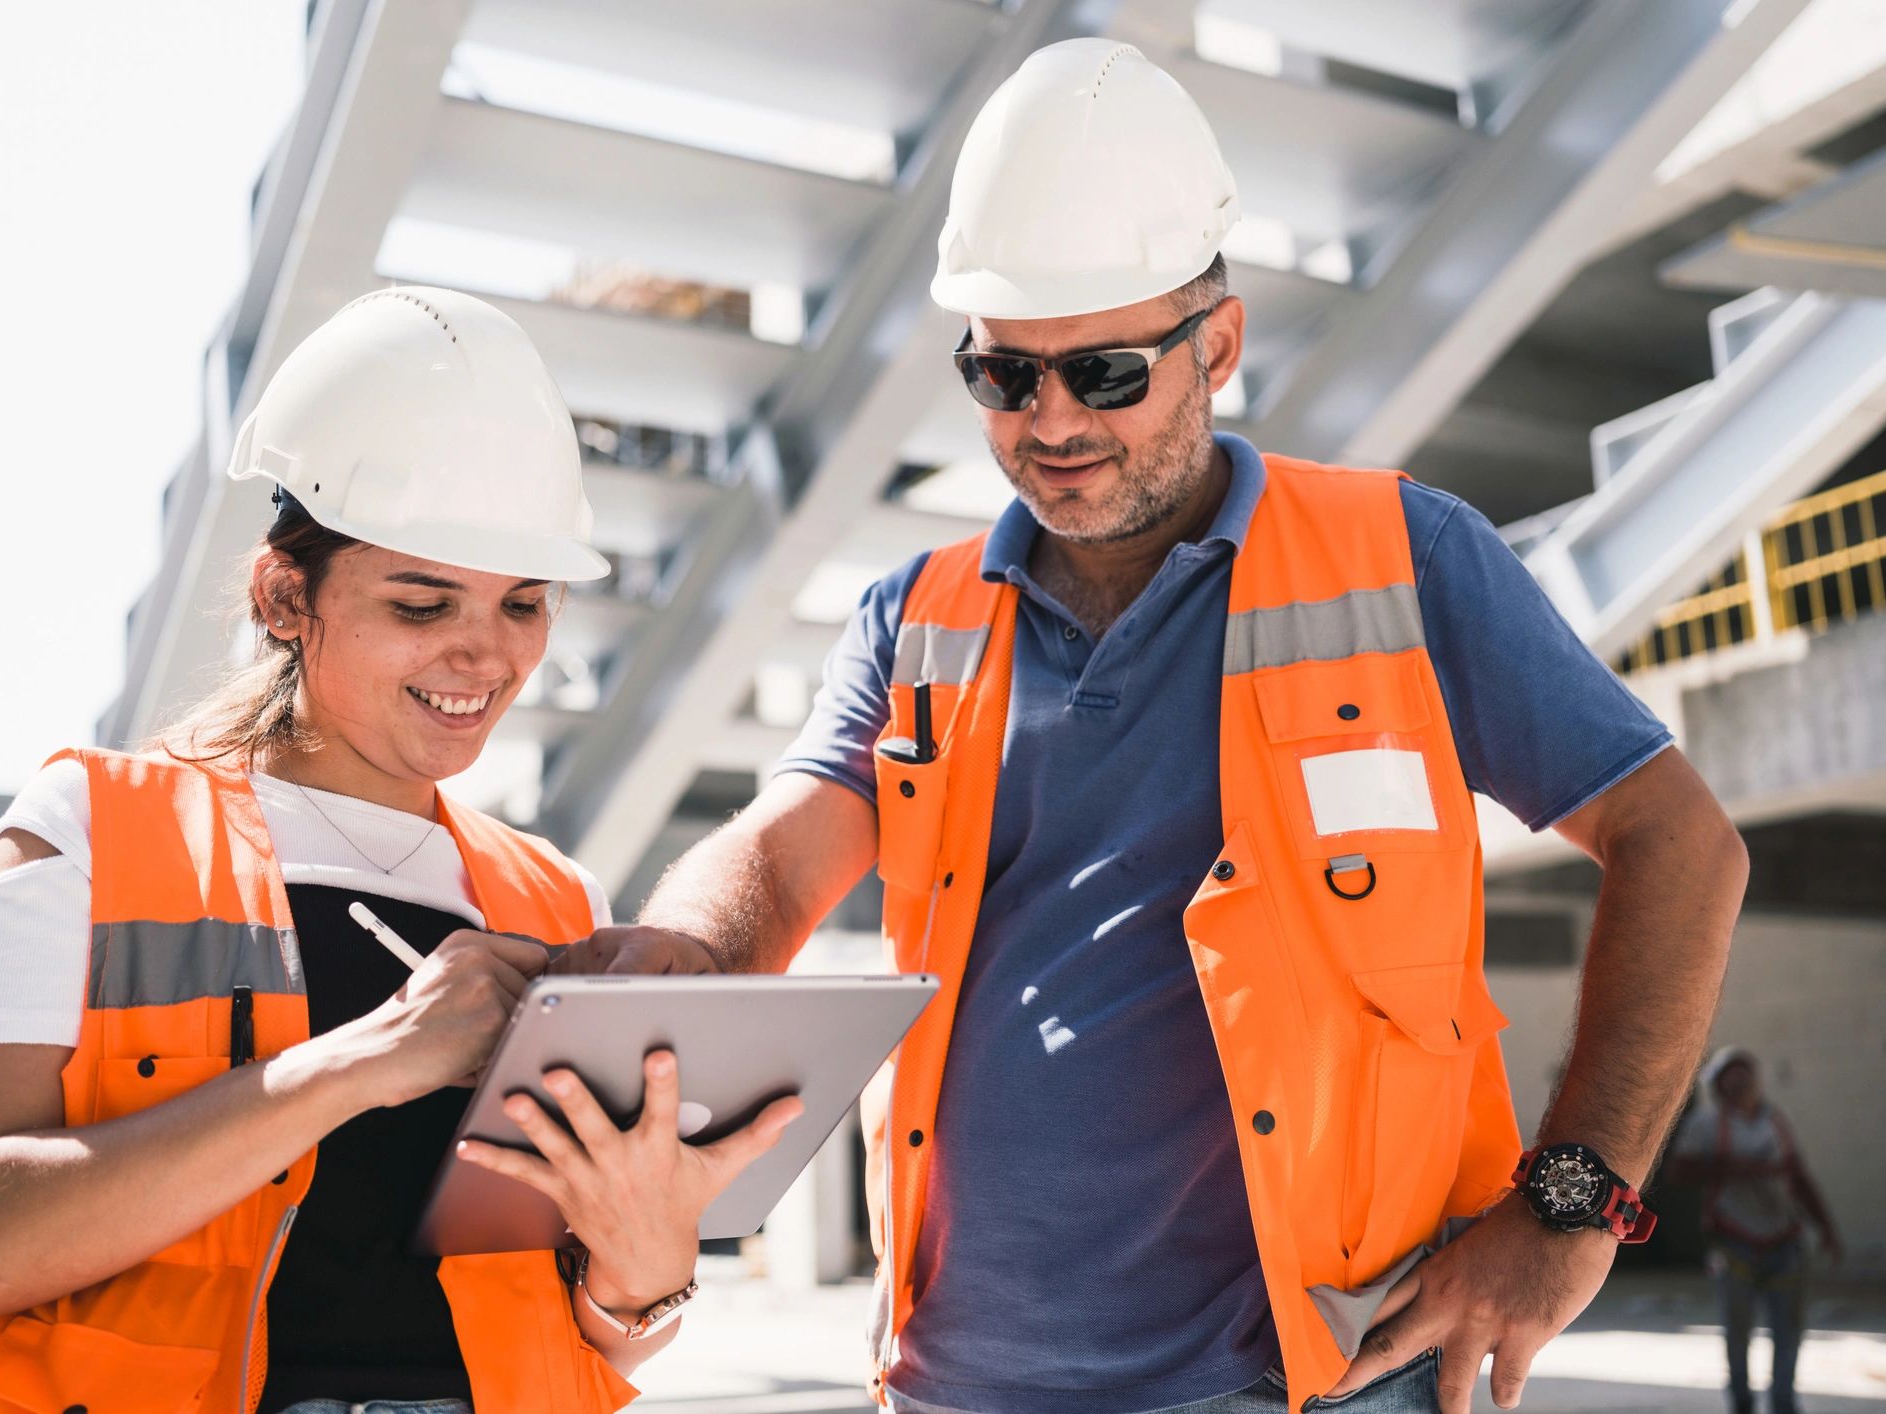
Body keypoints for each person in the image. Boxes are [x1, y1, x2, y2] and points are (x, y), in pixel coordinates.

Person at [550, 40, 1748, 1414]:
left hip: (1315, 1374)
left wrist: (1568, 1207)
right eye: (1004, 376)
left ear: (1217, 346)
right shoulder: (916, 618)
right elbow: (784, 837)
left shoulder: (1404, 560)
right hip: (958, 1382)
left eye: (1105, 372)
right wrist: (683, 956)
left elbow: (1681, 841)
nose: (1050, 422)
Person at [0, 287, 801, 1414]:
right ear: (284, 595)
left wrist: (649, 1254)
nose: (485, 654)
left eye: (524, 603)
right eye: (422, 603)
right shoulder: (91, 828)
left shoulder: (556, 897)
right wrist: (360, 1062)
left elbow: (605, 1328)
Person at [1666, 1047, 1842, 1414]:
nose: (1741, 1083)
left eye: (1746, 1075)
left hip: (1783, 1236)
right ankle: (1742, 1402)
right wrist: (1733, 1169)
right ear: (1719, 1085)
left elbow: (1799, 1175)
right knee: (1738, 1330)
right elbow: (1679, 1173)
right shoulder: (1706, 1124)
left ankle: (1783, 1401)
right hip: (1734, 1240)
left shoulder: (1775, 1120)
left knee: (1788, 1329)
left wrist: (1825, 1227)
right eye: (1731, 1077)